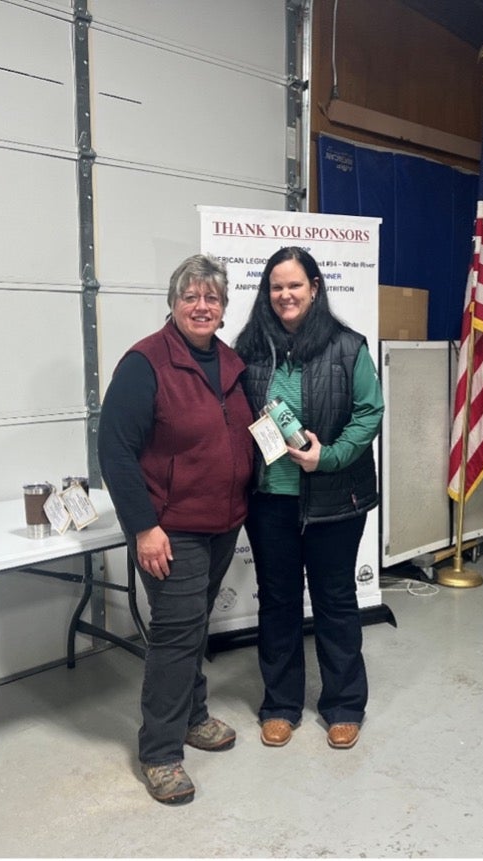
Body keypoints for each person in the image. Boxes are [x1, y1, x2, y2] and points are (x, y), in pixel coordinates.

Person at [97, 253, 254, 805]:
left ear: (224, 308)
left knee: (192, 626)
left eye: (212, 298)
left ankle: (192, 716)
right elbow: (115, 451)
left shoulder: (231, 364)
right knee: (176, 634)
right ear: (173, 303)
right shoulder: (145, 363)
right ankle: (160, 753)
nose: (201, 306)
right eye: (191, 296)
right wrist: (144, 527)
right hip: (171, 529)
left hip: (222, 522)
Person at [233, 246, 384, 751]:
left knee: (334, 600)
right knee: (277, 601)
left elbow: (369, 412)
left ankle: (344, 705)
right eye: (276, 286)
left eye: (295, 285)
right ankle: (280, 705)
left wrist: (330, 457)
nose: (285, 295)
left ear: (315, 288)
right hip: (270, 500)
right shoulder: (250, 349)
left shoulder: (347, 347)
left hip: (335, 497)